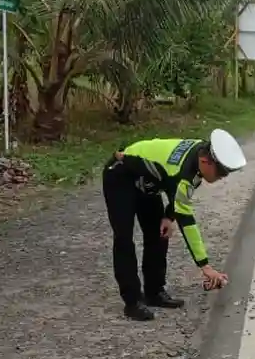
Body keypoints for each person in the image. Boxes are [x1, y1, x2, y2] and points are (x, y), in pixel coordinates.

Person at [102, 129, 246, 321]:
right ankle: (132, 301)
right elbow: (188, 222)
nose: (223, 177)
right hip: (120, 176)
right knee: (124, 239)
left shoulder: (201, 153)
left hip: (148, 182)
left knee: (159, 233)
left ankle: (154, 291)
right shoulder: (183, 172)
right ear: (205, 162)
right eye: (221, 173)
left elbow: (178, 195)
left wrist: (169, 217)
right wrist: (205, 266)